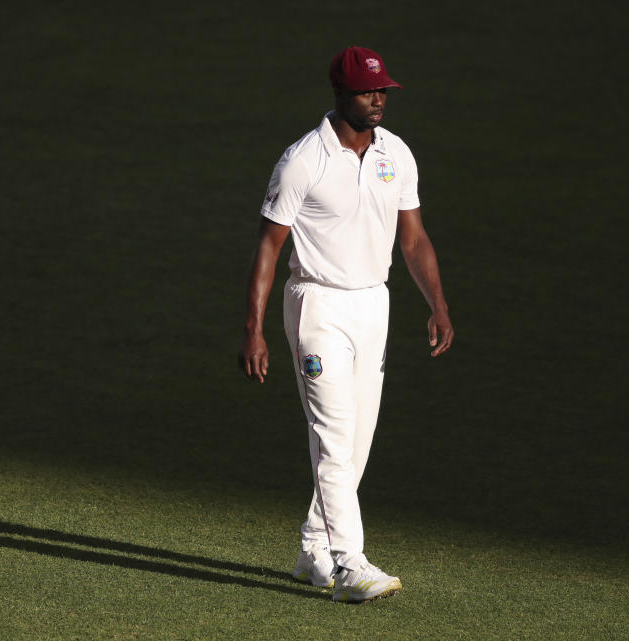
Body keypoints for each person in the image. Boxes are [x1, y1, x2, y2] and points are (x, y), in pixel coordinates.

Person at [238, 46, 453, 603]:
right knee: (334, 439)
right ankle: (350, 564)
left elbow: (414, 237)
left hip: (372, 304)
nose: (378, 100)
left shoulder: (396, 154)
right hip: (316, 305)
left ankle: (313, 550)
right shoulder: (304, 160)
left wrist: (437, 302)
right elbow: (269, 244)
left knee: (356, 441)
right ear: (340, 94)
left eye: (383, 91)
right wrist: (253, 328)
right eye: (366, 92)